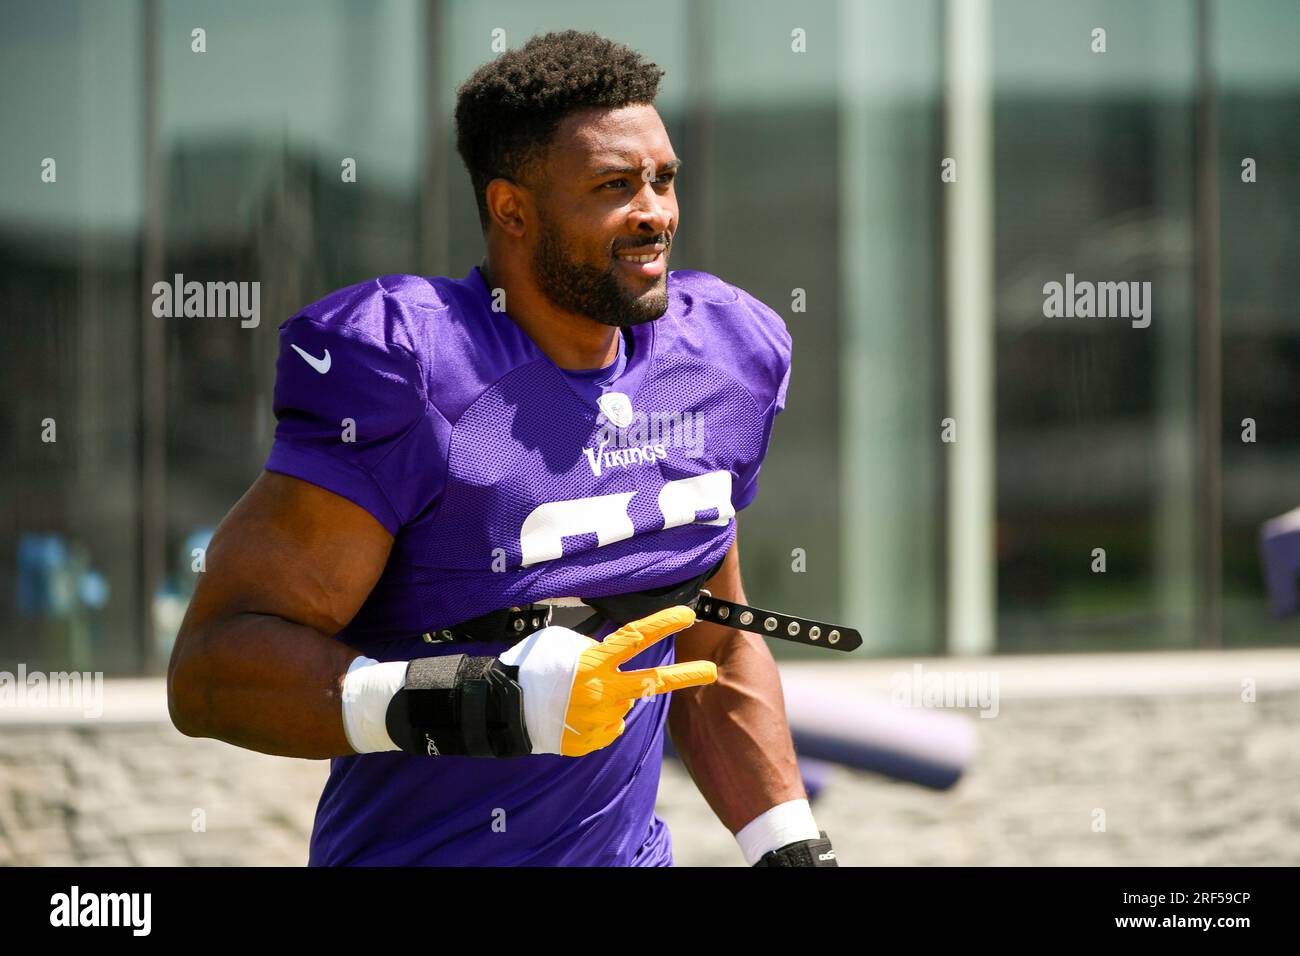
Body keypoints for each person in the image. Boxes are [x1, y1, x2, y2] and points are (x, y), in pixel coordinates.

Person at [167, 29, 836, 867]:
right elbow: (210, 672)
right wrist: (476, 700)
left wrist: (790, 847)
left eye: (664, 181)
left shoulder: (720, 359)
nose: (656, 213)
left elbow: (713, 642)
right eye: (614, 186)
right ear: (511, 209)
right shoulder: (413, 371)